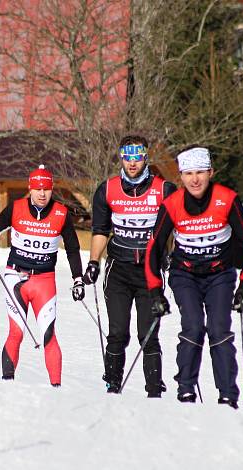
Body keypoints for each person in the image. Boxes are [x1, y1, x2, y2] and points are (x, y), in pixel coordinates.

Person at [144, 146, 243, 410]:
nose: (195, 180)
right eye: (188, 173)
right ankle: (185, 389)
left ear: (211, 172)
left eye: (201, 173)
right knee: (193, 326)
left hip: (220, 275)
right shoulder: (172, 204)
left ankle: (228, 394)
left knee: (218, 330)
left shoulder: (227, 199)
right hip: (185, 275)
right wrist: (155, 292)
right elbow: (154, 247)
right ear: (181, 176)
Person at [0, 165, 84, 386]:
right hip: (15, 277)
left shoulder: (61, 213)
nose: (42, 194)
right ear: (30, 188)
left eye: (46, 189)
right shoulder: (16, 208)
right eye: (37, 189)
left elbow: (73, 249)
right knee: (16, 332)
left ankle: (56, 388)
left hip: (44, 282)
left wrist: (77, 279)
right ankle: (7, 384)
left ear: (52, 189)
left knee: (48, 335)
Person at [82, 135, 177, 397]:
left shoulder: (164, 189)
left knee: (148, 334)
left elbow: (179, 226)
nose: (132, 163)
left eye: (137, 157)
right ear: (121, 158)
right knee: (117, 333)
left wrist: (172, 254)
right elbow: (100, 229)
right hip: (119, 270)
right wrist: (93, 262)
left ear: (145, 157)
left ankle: (154, 390)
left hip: (149, 271)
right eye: (127, 157)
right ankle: (113, 385)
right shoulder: (107, 189)